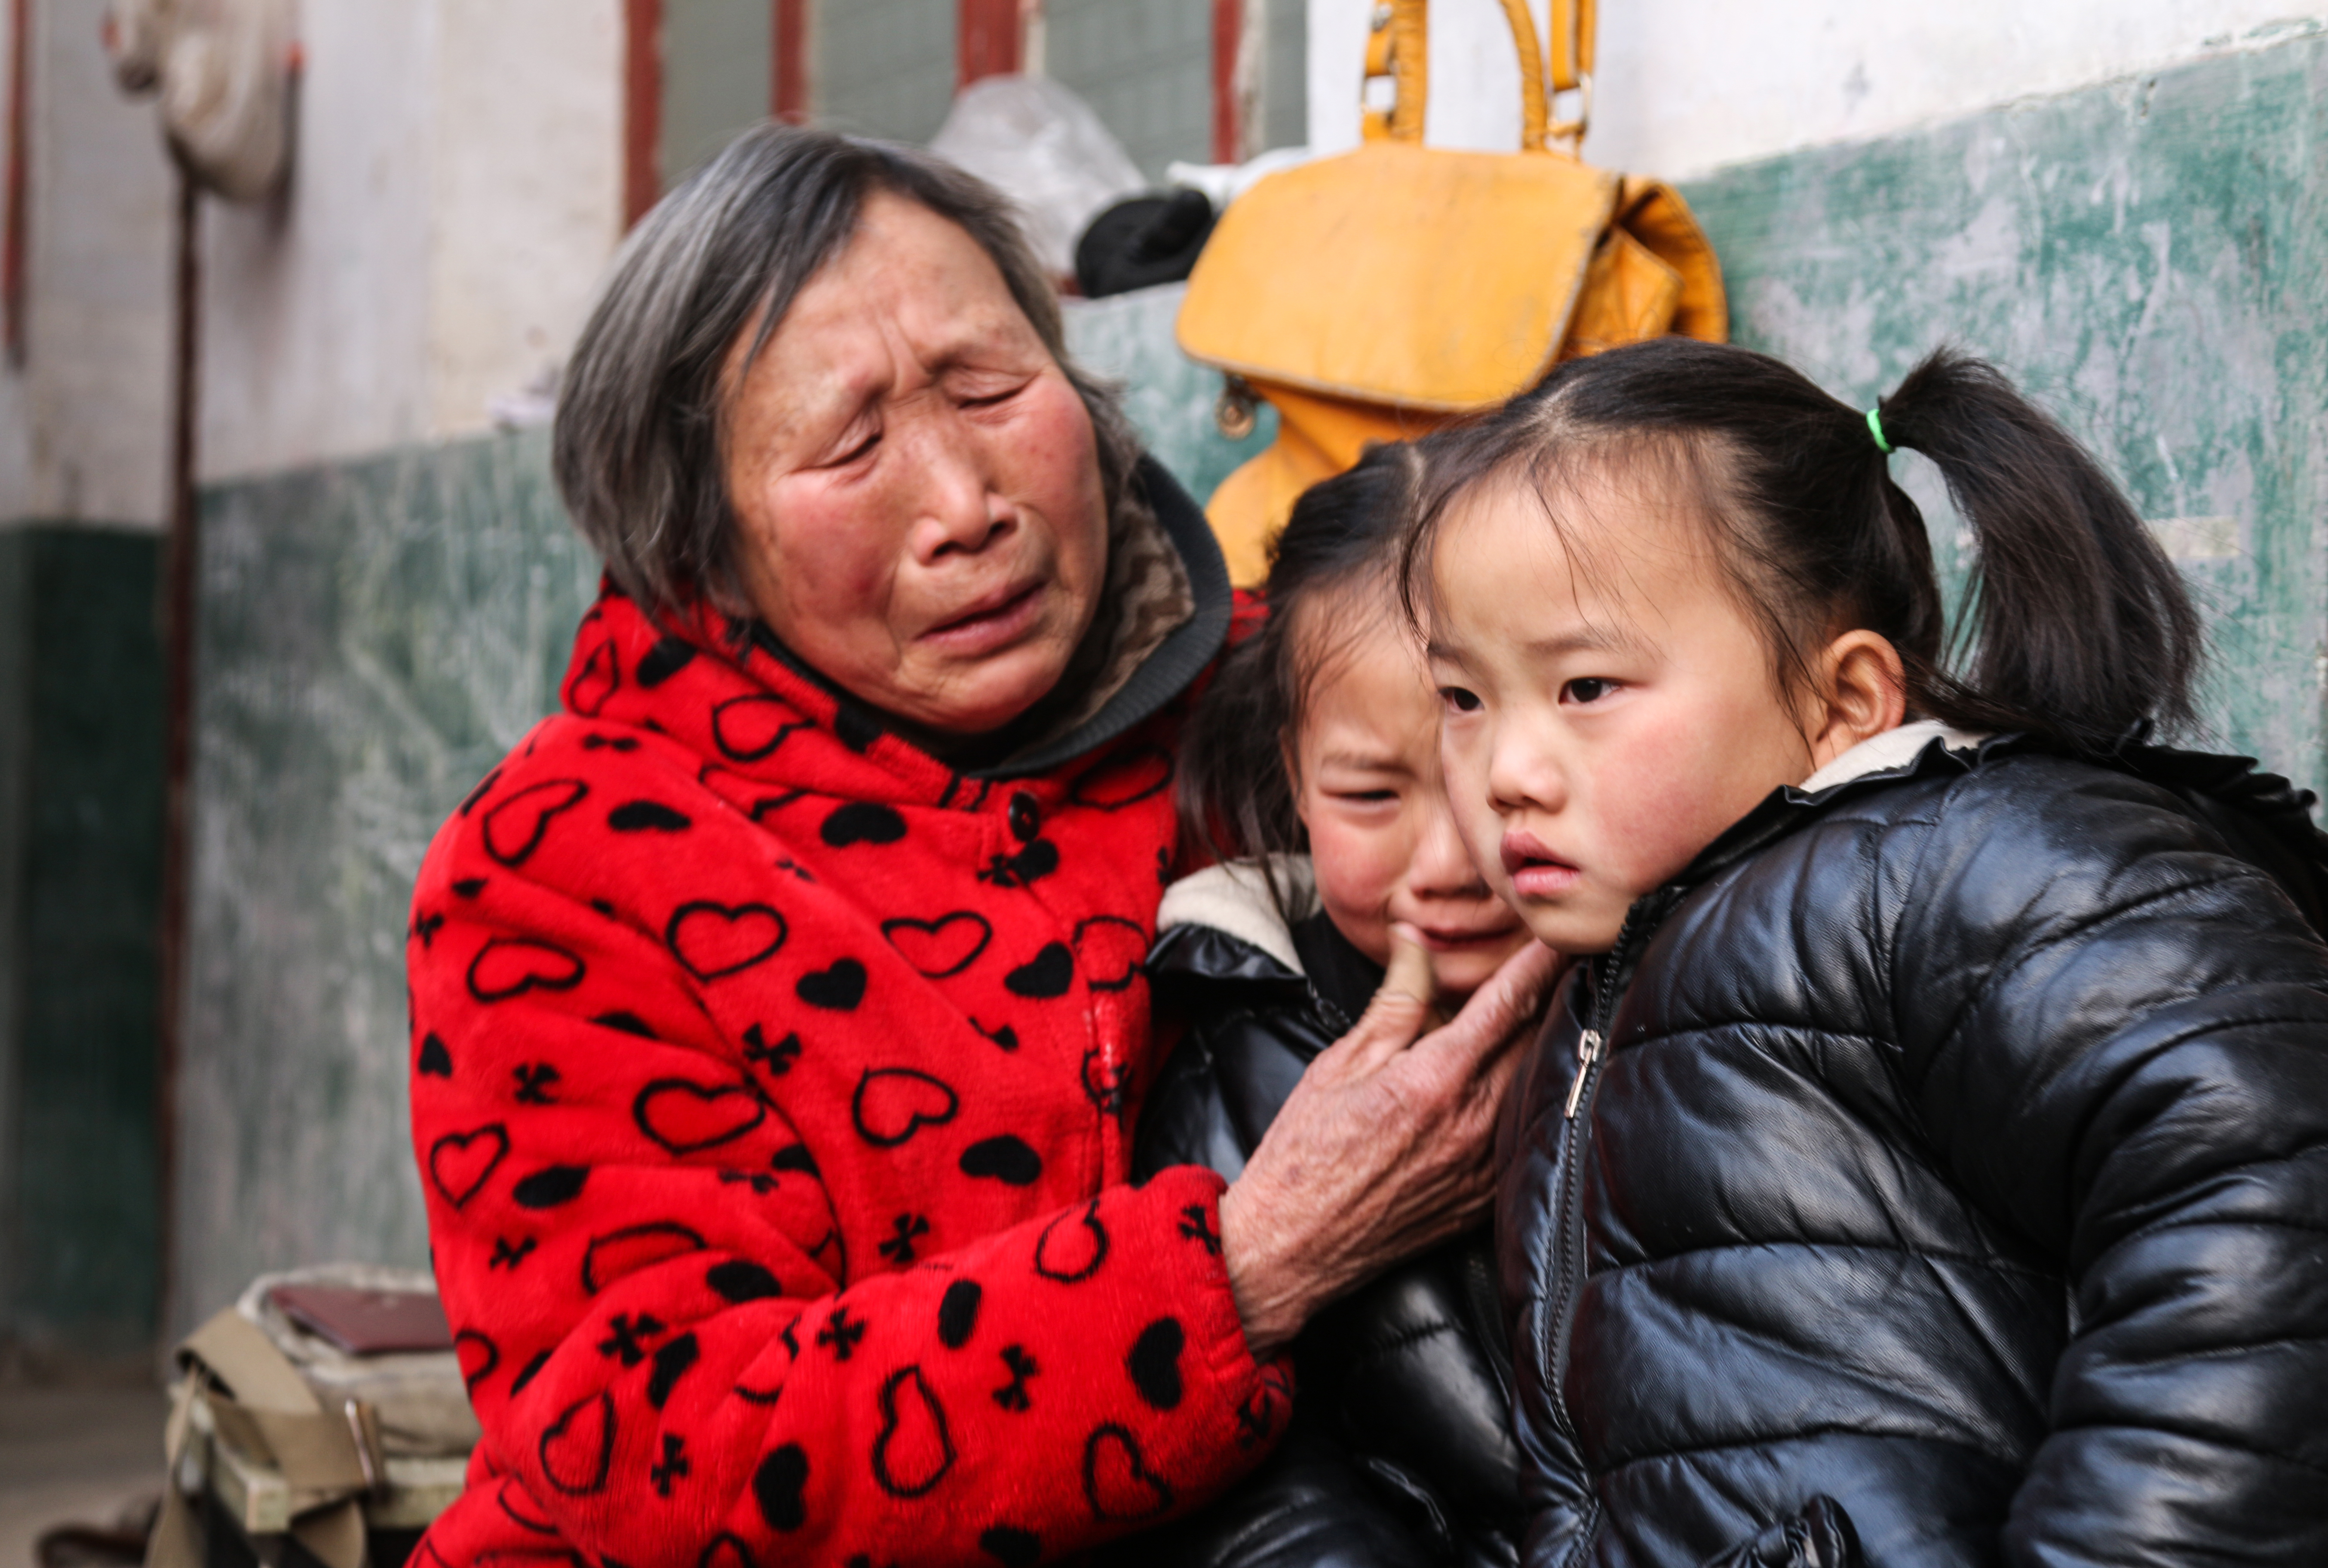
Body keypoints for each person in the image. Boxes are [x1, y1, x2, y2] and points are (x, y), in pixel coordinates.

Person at [402, 123, 1554, 1568]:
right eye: (851, 444)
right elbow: (650, 1444)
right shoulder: (560, 867)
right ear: (702, 556)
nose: (967, 507)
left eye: (991, 388)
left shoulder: (1294, 721)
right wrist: (1245, 1267)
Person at [1406, 337, 2328, 1567]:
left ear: (1845, 701)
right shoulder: (1583, 1019)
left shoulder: (1956, 869)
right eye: (1463, 700)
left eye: (1585, 688)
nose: (1504, 776)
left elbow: (2266, 1197)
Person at [1125, 444, 1541, 1568]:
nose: (1448, 862)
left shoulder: (1686, 976)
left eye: (1494, 783)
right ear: (1295, 776)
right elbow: (1263, 1498)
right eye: (1371, 794)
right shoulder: (1234, 1067)